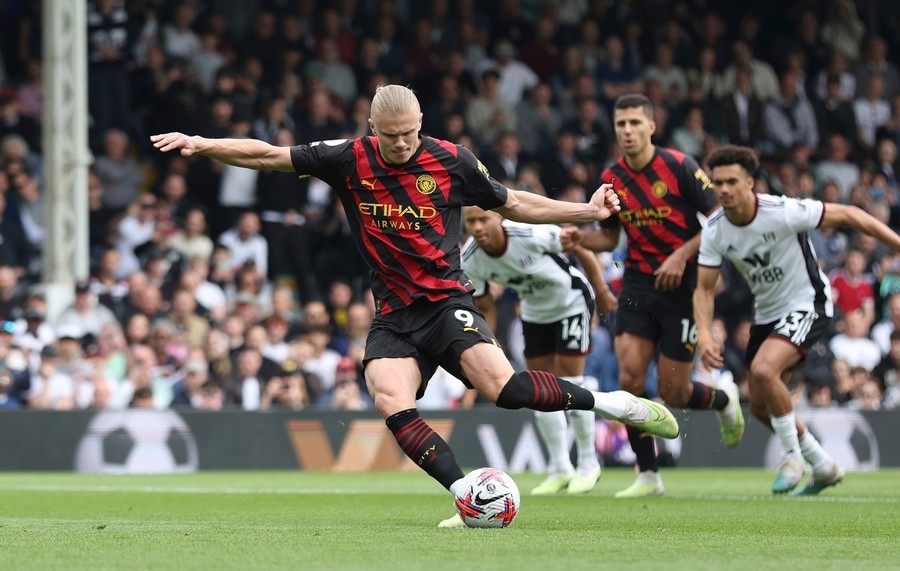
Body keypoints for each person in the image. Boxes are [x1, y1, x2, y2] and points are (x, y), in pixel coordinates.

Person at [151, 84, 678, 527]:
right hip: (394, 314)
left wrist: (585, 212)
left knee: (507, 390)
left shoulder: (451, 160)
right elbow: (267, 155)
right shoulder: (347, 158)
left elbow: (514, 202)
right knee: (389, 400)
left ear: (421, 122)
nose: (402, 143)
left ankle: (614, 404)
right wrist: (203, 142)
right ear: (372, 127)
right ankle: (466, 491)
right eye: (391, 135)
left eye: (410, 133)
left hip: (447, 301)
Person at [694, 144, 900, 495]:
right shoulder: (715, 229)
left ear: (751, 183)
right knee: (760, 406)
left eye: (732, 181)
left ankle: (792, 458)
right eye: (718, 182)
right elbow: (703, 288)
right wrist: (704, 336)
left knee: (762, 370)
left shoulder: (783, 211)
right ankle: (823, 465)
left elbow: (851, 215)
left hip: (809, 303)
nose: (724, 189)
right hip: (768, 315)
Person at [573, 93, 744, 498]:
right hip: (636, 284)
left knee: (674, 393)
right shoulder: (611, 177)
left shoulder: (679, 166)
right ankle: (648, 473)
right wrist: (578, 237)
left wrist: (682, 256)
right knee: (630, 378)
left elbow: (718, 220)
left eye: (635, 123)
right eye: (621, 125)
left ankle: (723, 401)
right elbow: (610, 236)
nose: (628, 131)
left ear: (651, 126)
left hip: (682, 286)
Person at [462, 205, 617, 495]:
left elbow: (579, 246)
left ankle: (588, 463)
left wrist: (602, 289)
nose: (478, 227)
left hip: (571, 301)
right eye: (471, 221)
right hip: (534, 313)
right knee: (540, 389)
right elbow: (485, 306)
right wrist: (487, 343)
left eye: (484, 218)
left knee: (572, 382)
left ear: (498, 217)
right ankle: (559, 467)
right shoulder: (470, 258)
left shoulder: (529, 231)